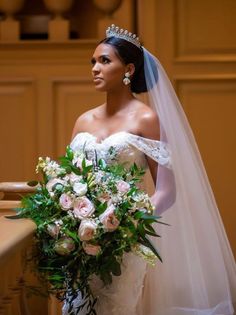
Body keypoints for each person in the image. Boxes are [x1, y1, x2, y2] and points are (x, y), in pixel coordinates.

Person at [63, 25, 236, 315]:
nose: (95, 68)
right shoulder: (83, 121)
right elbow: (69, 181)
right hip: (79, 241)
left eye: (105, 61)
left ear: (128, 68)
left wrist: (125, 225)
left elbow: (167, 191)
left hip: (123, 242)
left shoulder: (146, 119)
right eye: (93, 61)